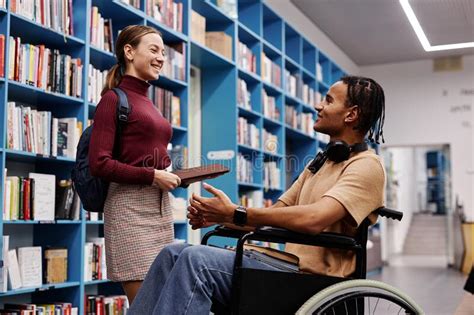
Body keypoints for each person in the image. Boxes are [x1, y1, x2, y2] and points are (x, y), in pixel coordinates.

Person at [129, 76, 387, 314]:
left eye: (329, 100)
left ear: (351, 115)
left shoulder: (366, 166)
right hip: (285, 266)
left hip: (314, 279)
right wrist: (221, 216)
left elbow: (314, 219)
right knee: (171, 253)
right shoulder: (319, 163)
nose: (319, 106)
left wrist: (238, 212)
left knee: (196, 260)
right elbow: (274, 215)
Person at [88, 25, 181, 303]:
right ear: (129, 52)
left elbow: (148, 157)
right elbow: (100, 164)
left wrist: (175, 176)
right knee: (146, 306)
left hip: (160, 209)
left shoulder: (149, 103)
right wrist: (152, 176)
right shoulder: (113, 99)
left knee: (164, 301)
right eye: (153, 50)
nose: (161, 58)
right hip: (129, 210)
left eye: (163, 52)